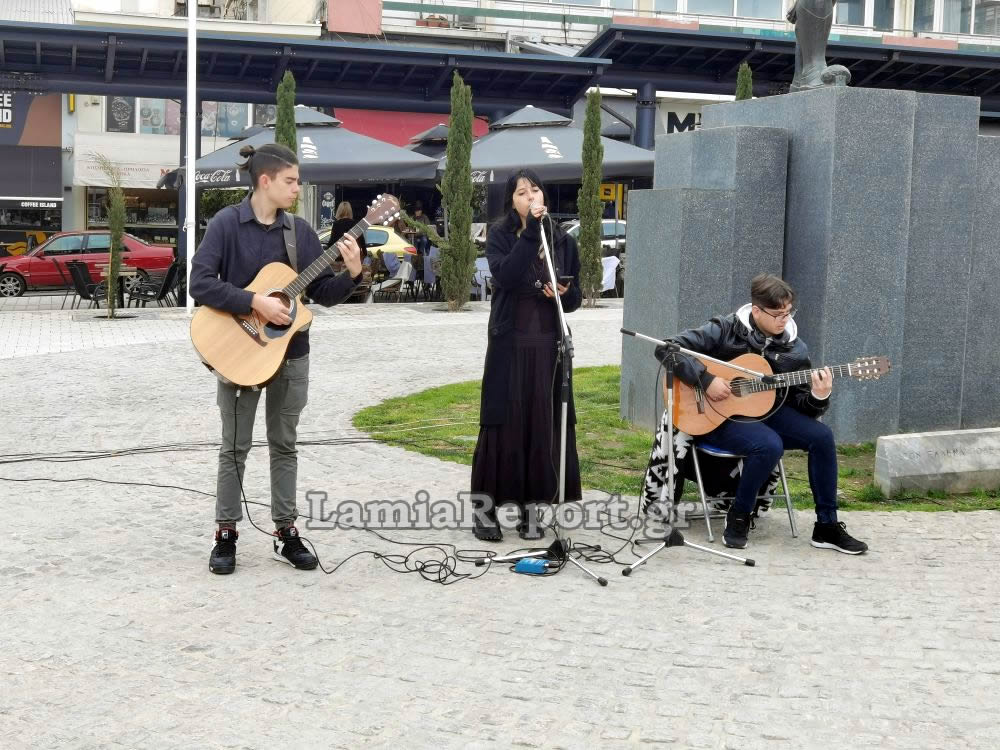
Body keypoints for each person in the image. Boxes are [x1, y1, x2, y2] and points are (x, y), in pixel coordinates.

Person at [190, 143, 364, 575]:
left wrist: (353, 273)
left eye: (298, 181)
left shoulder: (299, 232)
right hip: (239, 350)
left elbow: (321, 294)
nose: (297, 188)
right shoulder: (226, 224)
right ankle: (225, 533)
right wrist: (255, 302)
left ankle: (286, 531)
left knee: (285, 444)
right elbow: (199, 283)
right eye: (291, 181)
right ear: (265, 181)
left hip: (291, 353)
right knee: (234, 447)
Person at [658, 273, 868, 554]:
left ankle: (826, 526)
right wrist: (706, 380)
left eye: (788, 312)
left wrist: (819, 396)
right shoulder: (724, 329)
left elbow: (802, 405)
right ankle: (739, 515)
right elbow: (667, 348)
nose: (784, 319)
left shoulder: (795, 350)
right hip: (717, 415)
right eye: (777, 314)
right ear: (756, 311)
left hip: (768, 412)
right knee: (769, 444)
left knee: (822, 437)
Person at [470, 168, 583, 542]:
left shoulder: (562, 239)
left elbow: (575, 297)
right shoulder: (500, 235)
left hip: (548, 346)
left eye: (535, 189)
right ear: (511, 201)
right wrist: (531, 230)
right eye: (522, 192)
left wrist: (564, 293)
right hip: (510, 345)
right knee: (503, 425)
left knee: (541, 425)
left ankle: (531, 509)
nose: (531, 196)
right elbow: (506, 275)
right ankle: (485, 511)